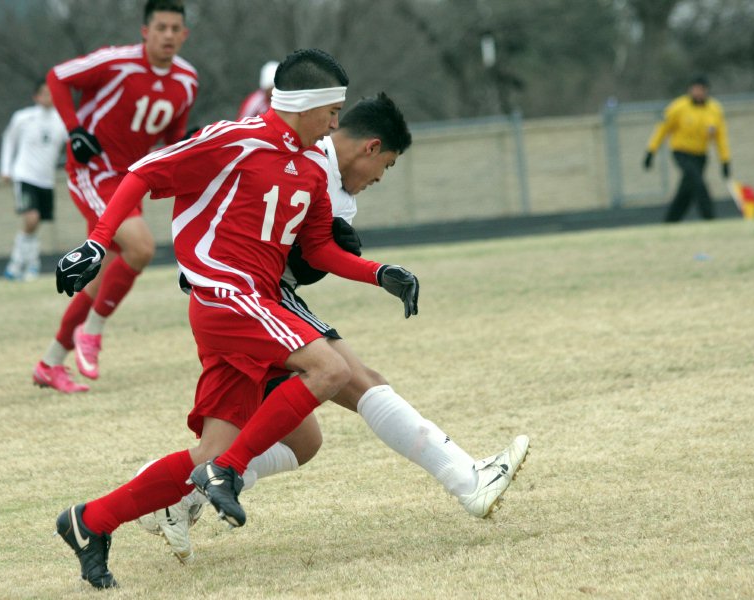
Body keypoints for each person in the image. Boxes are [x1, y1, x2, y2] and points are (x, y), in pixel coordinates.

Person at [53, 48, 420, 589]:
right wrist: (94, 243)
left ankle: (91, 520)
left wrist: (377, 272)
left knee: (224, 449)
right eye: (332, 110)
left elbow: (318, 248)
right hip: (226, 295)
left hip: (252, 304)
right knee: (331, 371)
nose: (337, 123)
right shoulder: (236, 139)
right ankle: (225, 474)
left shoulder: (310, 169)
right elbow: (143, 174)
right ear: (306, 104)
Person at [138, 93, 530, 565]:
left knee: (303, 443)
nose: (380, 179)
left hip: (262, 298)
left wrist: (365, 267)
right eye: (384, 166)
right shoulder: (295, 152)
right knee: (358, 379)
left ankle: (182, 494)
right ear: (370, 146)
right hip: (244, 299)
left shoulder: (339, 193)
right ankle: (468, 480)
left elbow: (308, 258)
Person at [32, 0, 197, 394]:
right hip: (92, 170)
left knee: (99, 274)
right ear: (145, 31)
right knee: (140, 247)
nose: (169, 35)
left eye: (176, 28)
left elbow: (172, 139)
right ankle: (92, 333)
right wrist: (74, 129)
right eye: (161, 27)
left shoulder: (187, 80)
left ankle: (50, 362)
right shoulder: (118, 61)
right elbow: (57, 76)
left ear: (185, 34)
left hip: (129, 179)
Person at [0, 80, 67, 282]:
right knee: (31, 218)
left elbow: (73, 145)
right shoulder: (23, 117)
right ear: (36, 97)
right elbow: (8, 140)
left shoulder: (61, 121)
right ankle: (22, 264)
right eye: (44, 93)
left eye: (52, 93)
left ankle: (24, 265)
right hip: (24, 175)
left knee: (35, 224)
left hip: (46, 180)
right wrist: (6, 168)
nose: (49, 97)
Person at [643, 75, 732, 222]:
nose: (697, 93)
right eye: (694, 89)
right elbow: (662, 129)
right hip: (682, 152)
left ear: (706, 91)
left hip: (701, 155)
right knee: (698, 182)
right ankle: (710, 217)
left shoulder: (715, 110)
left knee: (687, 189)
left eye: (700, 90)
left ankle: (671, 221)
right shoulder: (678, 107)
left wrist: (725, 161)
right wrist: (651, 151)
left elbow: (721, 138)